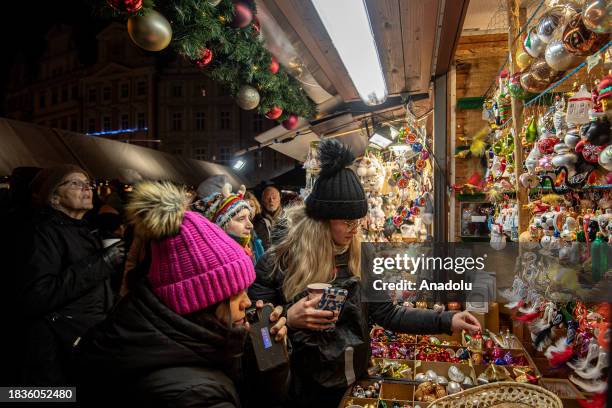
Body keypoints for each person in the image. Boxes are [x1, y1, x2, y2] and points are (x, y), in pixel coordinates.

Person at [249, 140, 481, 408]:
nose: (354, 230)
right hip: (301, 390)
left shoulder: (359, 254)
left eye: (358, 222)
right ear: (322, 221)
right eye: (347, 222)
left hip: (353, 382)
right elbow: (257, 333)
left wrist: (447, 320)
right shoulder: (280, 259)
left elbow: (387, 313)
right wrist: (289, 318)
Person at [75, 181, 288, 407]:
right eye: (236, 293)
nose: (247, 302)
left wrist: (266, 360)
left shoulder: (174, 337)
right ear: (201, 300)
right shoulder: (194, 394)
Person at [13, 165, 125, 385]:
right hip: (55, 348)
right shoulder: (42, 233)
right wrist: (102, 262)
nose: (87, 189)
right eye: (75, 183)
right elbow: (38, 295)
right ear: (54, 197)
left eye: (88, 184)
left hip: (83, 341)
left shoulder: (82, 229)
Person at [194, 184, 265, 265]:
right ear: (222, 224)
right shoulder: (214, 259)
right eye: (241, 219)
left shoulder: (247, 247)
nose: (251, 225)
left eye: (248, 217)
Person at [253, 183, 283, 249]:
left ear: (280, 199)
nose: (271, 200)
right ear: (263, 201)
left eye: (274, 198)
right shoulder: (256, 220)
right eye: (267, 198)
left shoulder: (289, 217)